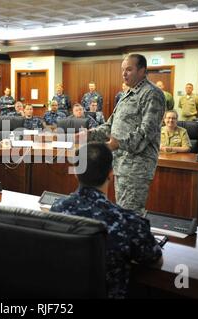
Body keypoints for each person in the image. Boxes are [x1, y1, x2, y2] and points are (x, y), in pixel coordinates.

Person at [50, 142, 162, 299]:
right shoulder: (126, 220)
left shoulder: (57, 209)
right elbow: (155, 261)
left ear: (76, 172)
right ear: (111, 173)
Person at [88, 54, 165, 214]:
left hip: (137, 166)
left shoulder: (152, 94)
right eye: (123, 70)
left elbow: (146, 132)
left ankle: (134, 240)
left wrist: (116, 144)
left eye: (129, 70)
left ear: (142, 71)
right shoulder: (127, 94)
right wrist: (88, 134)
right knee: (122, 212)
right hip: (121, 163)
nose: (124, 74)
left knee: (130, 214)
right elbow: (110, 126)